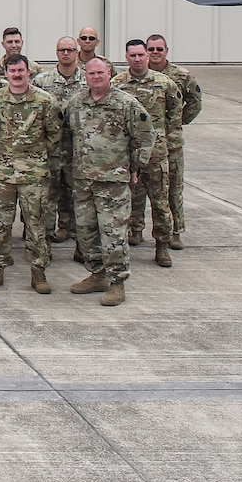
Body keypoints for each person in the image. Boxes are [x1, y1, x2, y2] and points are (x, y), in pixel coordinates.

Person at [66, 58, 151, 306]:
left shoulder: (126, 104)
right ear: (85, 75)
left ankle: (117, 283)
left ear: (110, 73)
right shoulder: (76, 103)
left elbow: (145, 137)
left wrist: (136, 167)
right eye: (91, 73)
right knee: (86, 231)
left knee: (113, 234)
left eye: (100, 72)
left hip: (112, 182)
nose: (96, 76)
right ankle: (97, 275)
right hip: (83, 180)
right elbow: (67, 136)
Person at [0, 54, 64, 294]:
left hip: (34, 175)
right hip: (3, 174)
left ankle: (38, 272)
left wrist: (39, 159)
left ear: (29, 72)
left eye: (21, 71)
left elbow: (55, 135)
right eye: (12, 71)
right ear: (5, 73)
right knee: (0, 225)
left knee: (36, 225)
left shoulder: (45, 101)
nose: (16, 75)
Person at [112, 39, 181, 267]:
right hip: (128, 154)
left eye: (141, 55)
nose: (138, 59)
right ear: (126, 57)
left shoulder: (164, 83)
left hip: (156, 154)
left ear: (147, 56)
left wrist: (165, 140)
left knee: (160, 201)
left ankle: (162, 245)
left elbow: (175, 114)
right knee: (129, 198)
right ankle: (132, 234)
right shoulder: (118, 84)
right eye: (133, 55)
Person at [147, 33, 202, 249]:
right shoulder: (140, 75)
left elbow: (195, 103)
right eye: (151, 49)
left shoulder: (181, 75)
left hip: (171, 144)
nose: (155, 53)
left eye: (159, 49)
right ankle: (136, 229)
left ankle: (175, 231)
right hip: (146, 143)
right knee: (141, 191)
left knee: (173, 189)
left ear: (166, 50)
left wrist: (176, 123)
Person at [33, 37, 86, 243]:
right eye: (62, 50)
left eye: (70, 50)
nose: (66, 53)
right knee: (48, 194)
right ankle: (44, 236)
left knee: (73, 193)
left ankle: (68, 230)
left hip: (76, 149)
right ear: (56, 52)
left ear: (76, 52)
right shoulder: (42, 81)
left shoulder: (86, 80)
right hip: (50, 149)